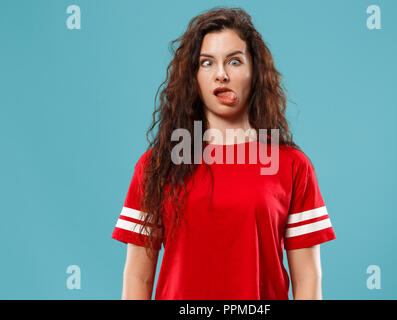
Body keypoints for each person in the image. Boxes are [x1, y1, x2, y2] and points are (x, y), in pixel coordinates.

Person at [111, 6, 336, 300]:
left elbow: (308, 278)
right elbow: (138, 277)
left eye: (234, 61)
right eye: (207, 63)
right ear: (193, 76)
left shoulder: (292, 166)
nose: (221, 74)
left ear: (254, 71)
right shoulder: (156, 165)